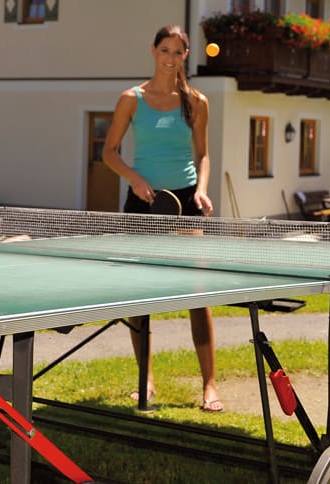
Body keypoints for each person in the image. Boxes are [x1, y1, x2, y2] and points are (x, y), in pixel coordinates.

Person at [102, 24, 222, 413]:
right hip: (143, 202)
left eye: (178, 52)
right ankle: (146, 381)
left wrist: (202, 189)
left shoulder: (197, 102)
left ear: (185, 56)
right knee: (139, 294)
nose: (170, 58)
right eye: (164, 50)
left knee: (197, 294)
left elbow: (203, 155)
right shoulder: (131, 99)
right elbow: (109, 152)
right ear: (153, 51)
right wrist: (134, 178)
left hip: (186, 202)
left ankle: (210, 385)